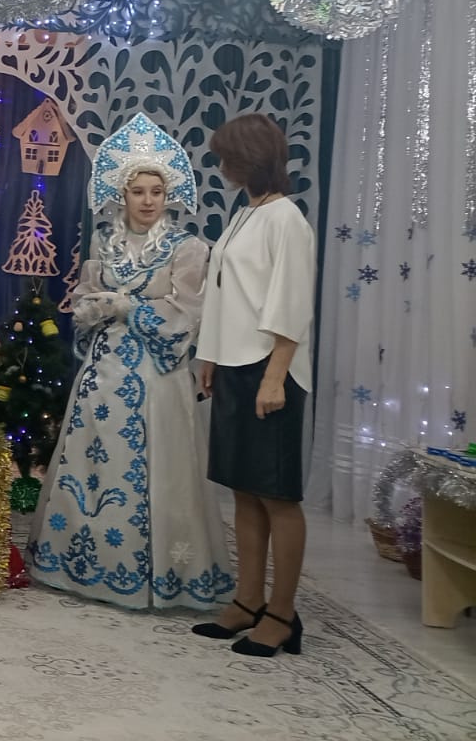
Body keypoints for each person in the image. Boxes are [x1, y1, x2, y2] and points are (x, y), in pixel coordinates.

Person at [28, 113, 234, 610]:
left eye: (156, 192)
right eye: (138, 191)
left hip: (155, 379)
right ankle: (85, 564)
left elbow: (188, 313)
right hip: (102, 373)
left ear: (168, 196)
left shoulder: (188, 248)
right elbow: (84, 295)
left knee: (157, 471)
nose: (147, 201)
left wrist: (131, 308)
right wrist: (91, 307)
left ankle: (157, 573)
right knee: (94, 463)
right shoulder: (105, 242)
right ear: (122, 194)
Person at [192, 113, 315, 659]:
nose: (222, 167)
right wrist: (211, 355)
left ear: (252, 158)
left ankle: (282, 614)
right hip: (235, 365)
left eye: (228, 157)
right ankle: (247, 601)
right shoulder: (246, 212)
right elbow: (226, 292)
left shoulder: (287, 219)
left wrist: (274, 377)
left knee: (277, 495)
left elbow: (291, 304)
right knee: (243, 489)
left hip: (271, 370)